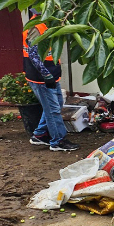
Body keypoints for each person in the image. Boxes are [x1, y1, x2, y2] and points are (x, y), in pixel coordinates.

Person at [23, 10, 79, 152]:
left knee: (56, 104)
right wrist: (46, 75)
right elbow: (33, 54)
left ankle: (40, 134)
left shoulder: (48, 25)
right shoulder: (37, 27)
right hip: (41, 78)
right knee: (53, 109)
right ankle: (58, 141)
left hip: (50, 74)